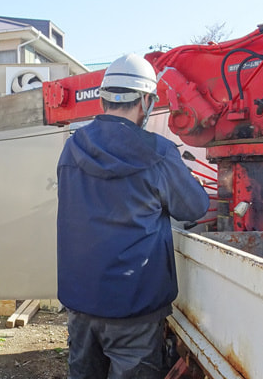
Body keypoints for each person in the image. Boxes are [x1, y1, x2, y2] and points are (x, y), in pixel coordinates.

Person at [56, 53, 210, 379]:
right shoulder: (158, 153)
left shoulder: (72, 147)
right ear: (146, 100)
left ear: (102, 98)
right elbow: (194, 207)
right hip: (133, 306)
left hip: (81, 301)